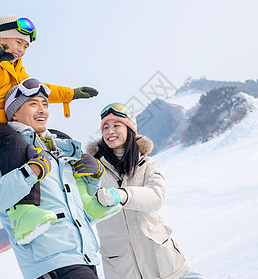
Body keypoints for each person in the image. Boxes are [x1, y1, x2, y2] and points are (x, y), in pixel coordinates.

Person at [0, 14, 99, 244]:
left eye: (26, 46)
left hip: (9, 128)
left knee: (56, 139)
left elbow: (40, 90)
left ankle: (85, 198)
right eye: (19, 43)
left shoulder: (17, 70)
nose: (22, 49)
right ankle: (22, 212)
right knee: (13, 141)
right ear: (0, 37)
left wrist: (71, 94)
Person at [0, 80, 103, 279]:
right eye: (33, 104)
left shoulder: (60, 150)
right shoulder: (1, 153)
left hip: (85, 257)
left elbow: (80, 208)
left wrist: (94, 178)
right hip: (51, 265)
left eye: (45, 104)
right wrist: (30, 172)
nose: (42, 109)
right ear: (14, 113)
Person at [86, 103, 205, 279]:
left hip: (166, 264)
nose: (110, 131)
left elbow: (156, 196)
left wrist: (121, 195)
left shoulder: (148, 165)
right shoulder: (93, 171)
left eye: (116, 125)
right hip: (122, 270)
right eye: (105, 127)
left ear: (130, 129)